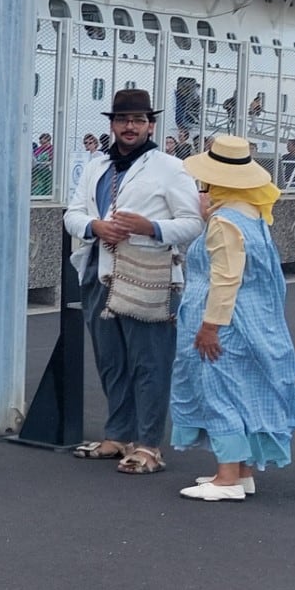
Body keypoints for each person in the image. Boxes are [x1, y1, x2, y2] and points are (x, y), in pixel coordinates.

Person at [63, 88, 204, 476]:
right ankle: (118, 433)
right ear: (112, 124)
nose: (130, 127)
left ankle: (148, 444)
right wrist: (94, 226)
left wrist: (151, 227)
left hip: (147, 276)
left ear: (150, 125)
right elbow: (72, 212)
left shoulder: (170, 168)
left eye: (139, 121)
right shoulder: (95, 167)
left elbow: (193, 223)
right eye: (124, 120)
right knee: (111, 361)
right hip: (100, 272)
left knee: (150, 363)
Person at [171, 135, 295, 502]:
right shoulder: (251, 215)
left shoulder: (224, 223)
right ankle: (241, 470)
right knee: (243, 389)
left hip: (225, 322)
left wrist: (210, 326)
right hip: (252, 319)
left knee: (219, 390)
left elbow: (225, 278)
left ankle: (227, 476)